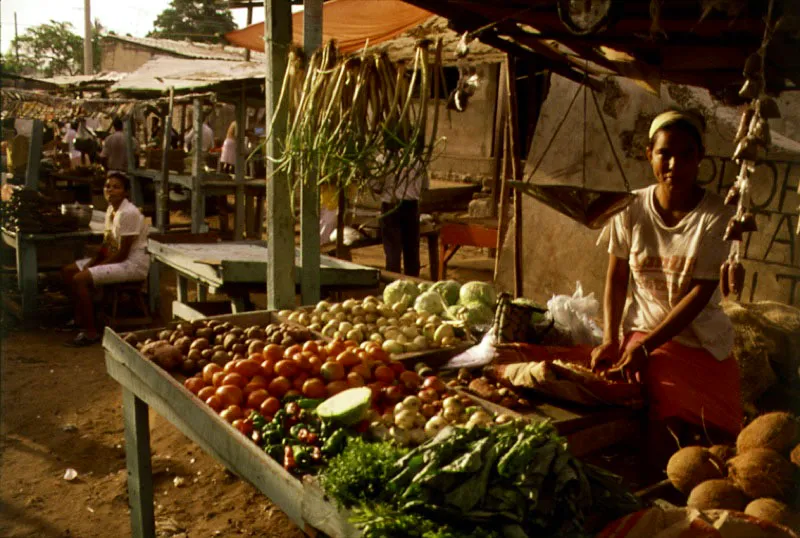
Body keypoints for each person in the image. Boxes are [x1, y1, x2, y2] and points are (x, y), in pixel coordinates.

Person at [590, 110, 741, 463]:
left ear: (700, 157)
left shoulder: (716, 215)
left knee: (721, 441)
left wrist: (650, 345)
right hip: (642, 333)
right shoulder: (631, 207)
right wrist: (611, 338)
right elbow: (616, 276)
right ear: (649, 155)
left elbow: (701, 292)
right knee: (654, 434)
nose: (674, 164)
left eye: (686, 154)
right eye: (665, 154)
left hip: (699, 340)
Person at [61, 172, 149, 347]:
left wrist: (95, 268)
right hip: (117, 258)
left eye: (116, 187)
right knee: (68, 271)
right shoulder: (111, 210)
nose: (110, 190)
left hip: (132, 264)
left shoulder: (128, 213)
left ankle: (91, 332)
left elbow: (123, 253)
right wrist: (93, 263)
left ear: (125, 192)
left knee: (80, 279)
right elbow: (107, 245)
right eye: (108, 186)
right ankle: (81, 318)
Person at [376, 138, 429, 277]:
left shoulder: (383, 160)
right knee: (411, 249)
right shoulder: (418, 161)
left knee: (393, 250)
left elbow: (375, 186)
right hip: (411, 207)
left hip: (390, 207)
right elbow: (425, 187)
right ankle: (414, 283)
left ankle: (393, 282)